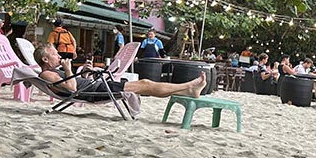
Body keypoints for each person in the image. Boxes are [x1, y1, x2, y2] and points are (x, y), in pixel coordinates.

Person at [34, 43, 204, 99]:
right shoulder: (46, 74)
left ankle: (188, 89)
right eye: (55, 54)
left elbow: (75, 82)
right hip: (96, 91)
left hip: (96, 86)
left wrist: (84, 72)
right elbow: (71, 89)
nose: (59, 56)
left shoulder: (55, 71)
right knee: (145, 84)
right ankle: (189, 87)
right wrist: (68, 69)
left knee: (145, 85)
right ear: (45, 60)